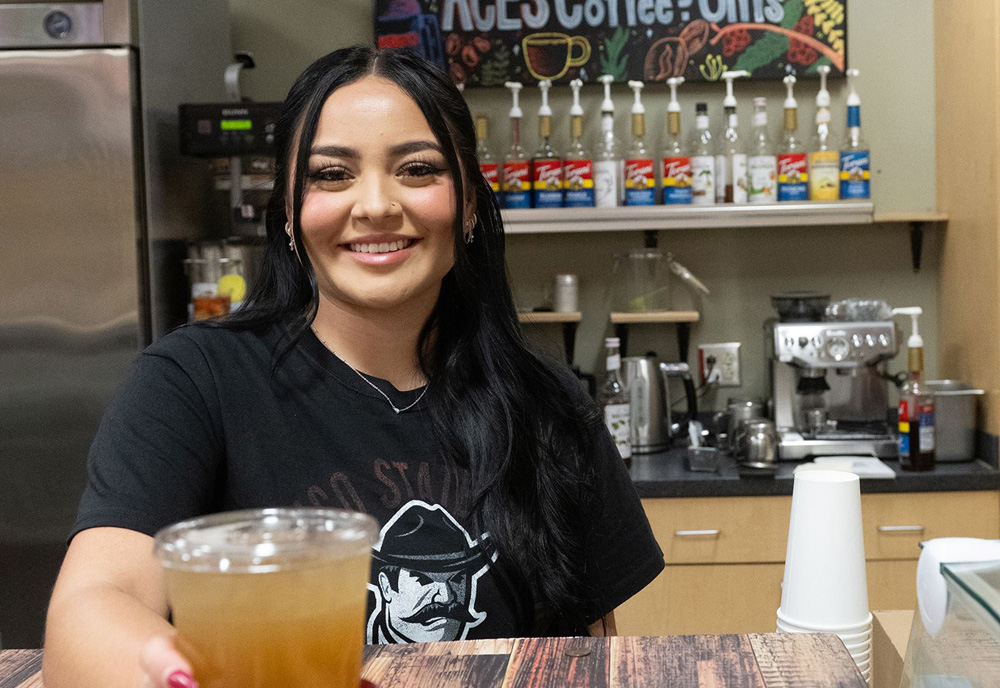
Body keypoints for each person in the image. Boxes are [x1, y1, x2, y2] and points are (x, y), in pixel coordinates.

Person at [42, 46, 664, 688]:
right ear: (287, 211)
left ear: (471, 206)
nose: (374, 205)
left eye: (417, 170)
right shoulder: (195, 381)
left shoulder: (547, 404)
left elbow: (596, 651)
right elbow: (93, 605)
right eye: (332, 175)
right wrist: (179, 676)